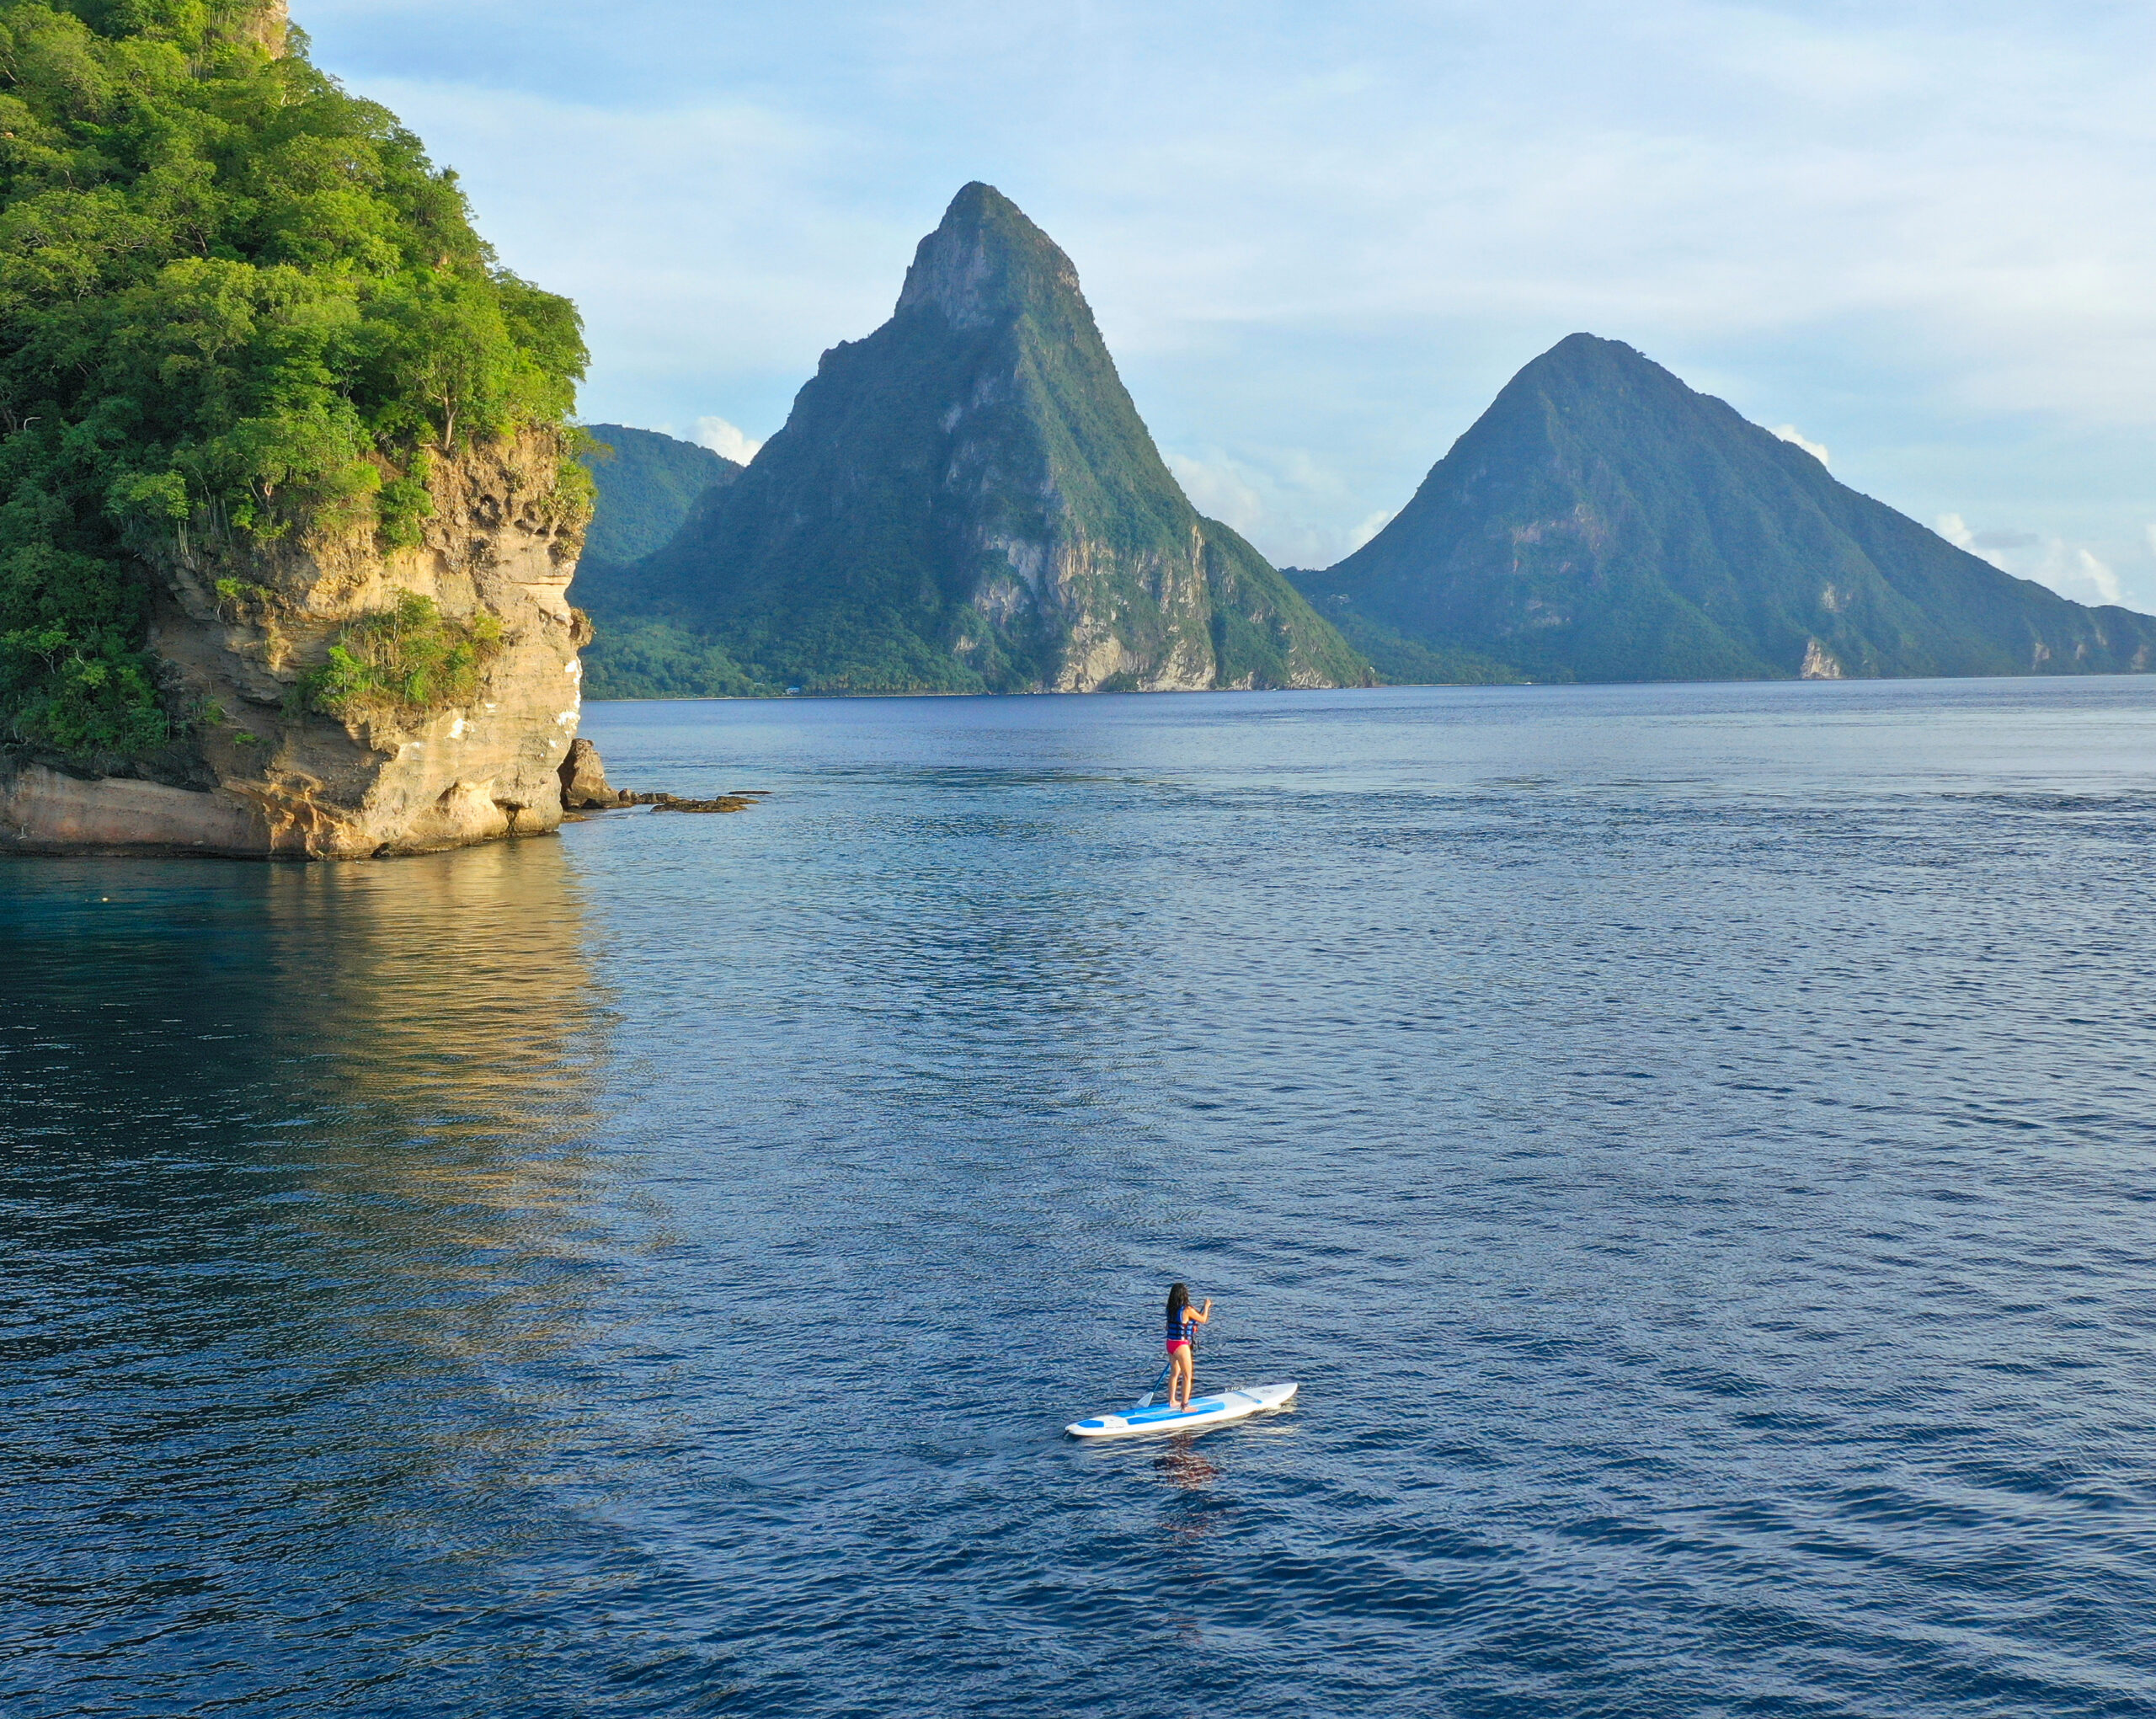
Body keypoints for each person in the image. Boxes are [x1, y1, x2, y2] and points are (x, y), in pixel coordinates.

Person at [1165, 1282, 1212, 1411]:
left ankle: (1172, 1400)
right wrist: (1206, 1306)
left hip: (1170, 1343)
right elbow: (1203, 1319)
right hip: (1181, 1345)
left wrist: (1188, 1328)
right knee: (1187, 1375)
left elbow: (1168, 1327)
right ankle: (1185, 1406)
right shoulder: (1187, 1309)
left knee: (1174, 1373)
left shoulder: (1170, 1309)